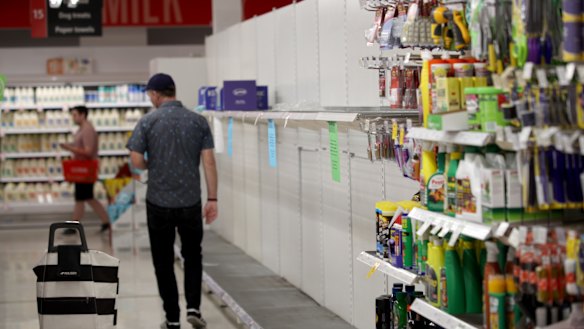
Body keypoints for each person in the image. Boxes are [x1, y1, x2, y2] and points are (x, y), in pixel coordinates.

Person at [127, 73, 218, 329]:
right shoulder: (198, 121)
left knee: (163, 260)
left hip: (159, 202)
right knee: (193, 255)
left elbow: (135, 161)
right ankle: (194, 308)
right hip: (190, 202)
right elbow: (209, 161)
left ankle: (173, 318)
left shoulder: (147, 122)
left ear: (156, 94)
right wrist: (212, 198)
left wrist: (150, 165)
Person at [60, 105, 111, 234]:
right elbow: (81, 146)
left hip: (85, 168)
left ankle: (75, 226)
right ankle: (105, 221)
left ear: (83, 115)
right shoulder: (82, 128)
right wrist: (70, 145)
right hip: (81, 168)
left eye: (75, 115)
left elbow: (88, 151)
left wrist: (69, 148)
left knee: (83, 197)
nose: (73, 117)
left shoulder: (87, 129)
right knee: (85, 197)